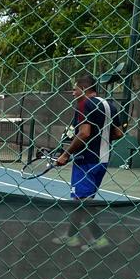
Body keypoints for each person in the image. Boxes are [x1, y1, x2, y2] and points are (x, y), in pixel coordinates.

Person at [55, 71, 113, 248]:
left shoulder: (83, 104)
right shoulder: (109, 105)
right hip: (102, 160)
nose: (73, 93)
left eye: (75, 89)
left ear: (84, 88)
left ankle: (98, 238)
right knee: (82, 200)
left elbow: (85, 133)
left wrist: (65, 154)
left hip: (86, 161)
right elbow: (117, 132)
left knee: (83, 202)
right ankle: (71, 235)